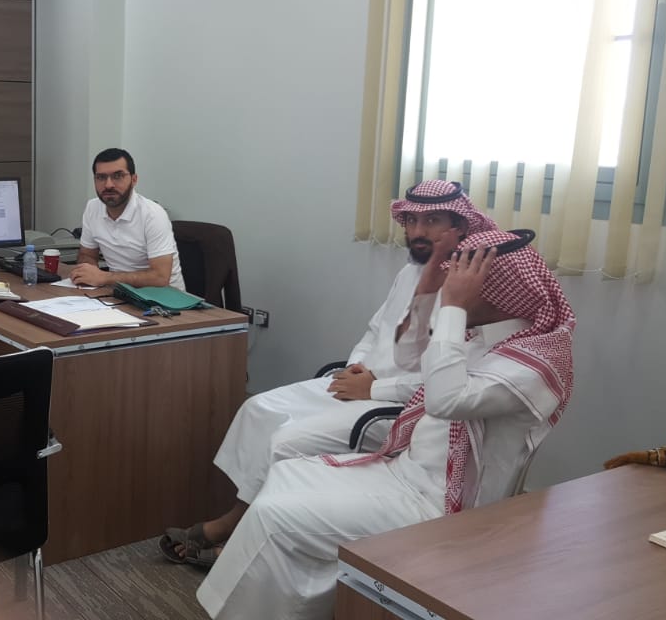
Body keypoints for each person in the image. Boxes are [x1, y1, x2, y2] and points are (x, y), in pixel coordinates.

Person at [196, 228, 576, 619]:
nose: (449, 288)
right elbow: (416, 369)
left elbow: (445, 399)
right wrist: (430, 304)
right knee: (286, 474)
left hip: (441, 505)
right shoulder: (481, 337)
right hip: (405, 472)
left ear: (497, 293)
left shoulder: (531, 366)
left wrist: (452, 308)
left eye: (461, 282)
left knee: (277, 514)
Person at [162, 180, 496, 563]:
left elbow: (443, 379)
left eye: (432, 221)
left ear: (459, 227)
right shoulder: (410, 273)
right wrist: (356, 365)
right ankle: (244, 517)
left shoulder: (467, 294)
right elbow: (376, 329)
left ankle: (230, 534)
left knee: (284, 442)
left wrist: (374, 388)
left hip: (395, 408)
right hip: (357, 382)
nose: (418, 231)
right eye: (412, 221)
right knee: (256, 409)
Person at [70, 148, 186, 290]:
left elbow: (160, 277)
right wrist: (87, 273)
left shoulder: (153, 214)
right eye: (101, 177)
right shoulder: (92, 208)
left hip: (164, 297)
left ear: (134, 179)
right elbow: (87, 254)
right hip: (119, 291)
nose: (108, 185)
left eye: (117, 176)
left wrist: (104, 277)